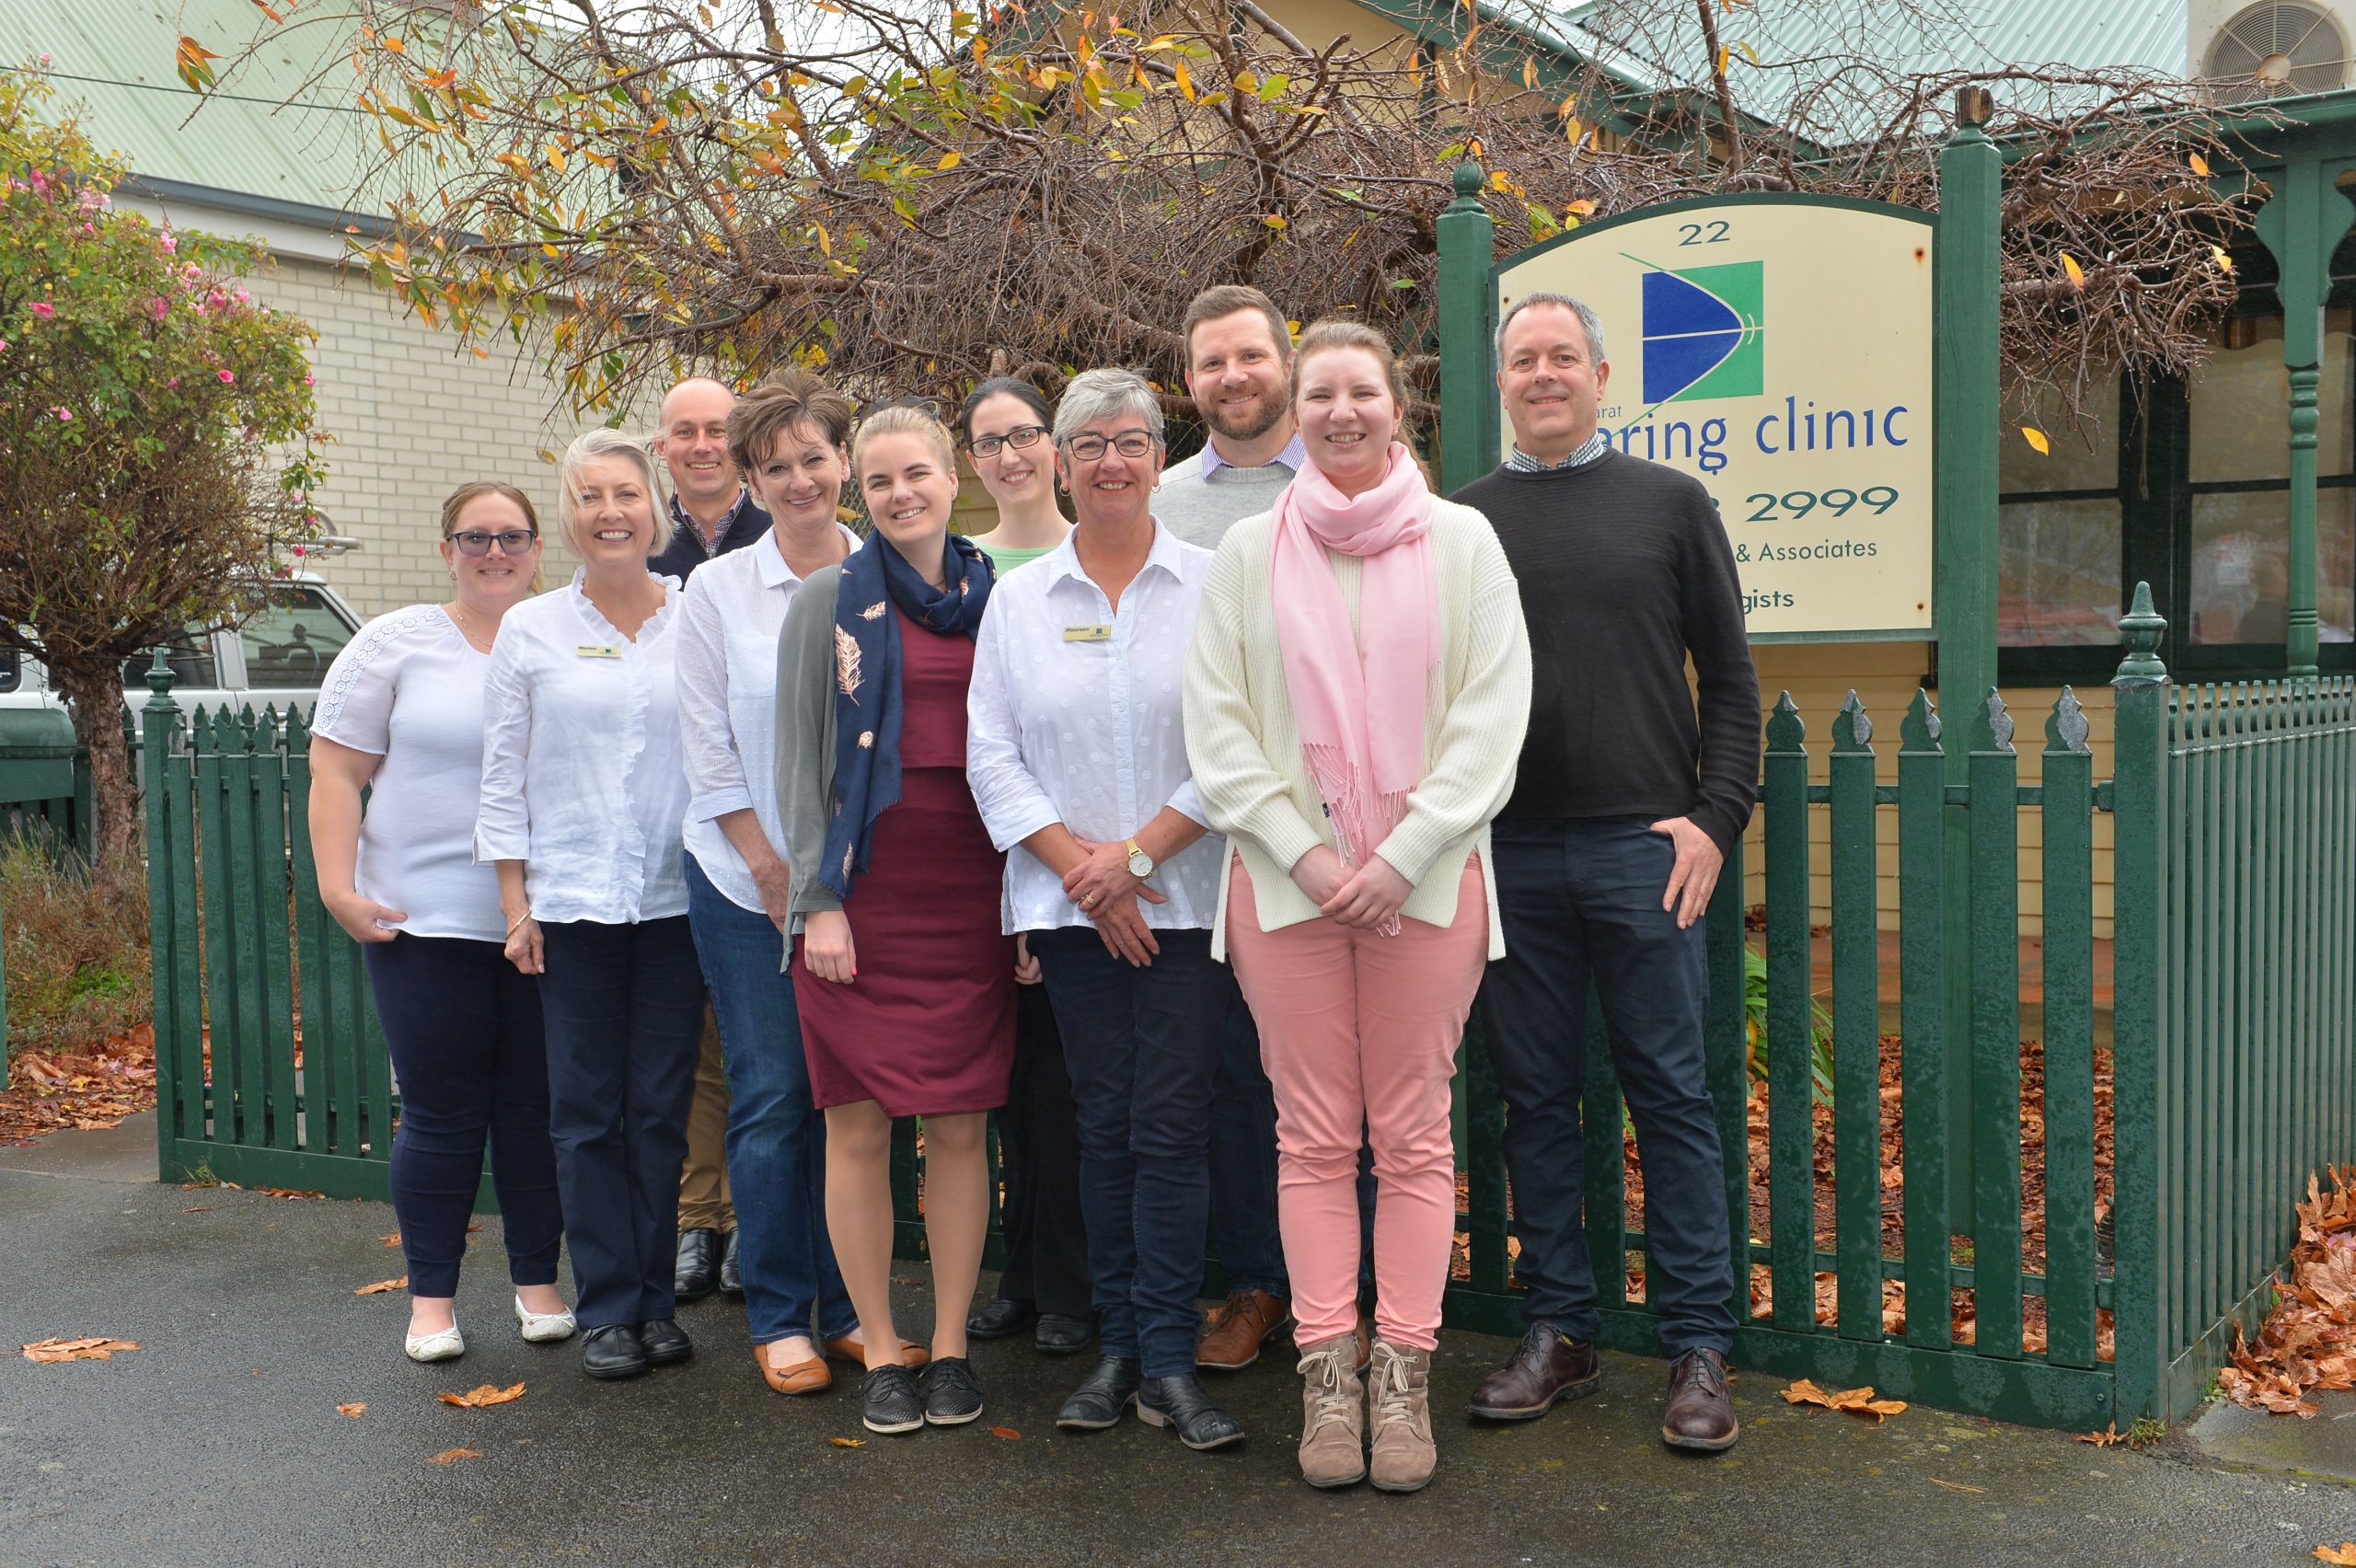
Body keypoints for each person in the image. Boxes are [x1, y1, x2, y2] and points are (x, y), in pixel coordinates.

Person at [1184, 320, 1531, 1493]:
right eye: (1319, 392)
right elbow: (1219, 729)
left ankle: (1404, 1375)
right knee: (1313, 1140)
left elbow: (1493, 716)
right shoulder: (1244, 553)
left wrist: (1403, 851)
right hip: (1286, 897)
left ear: (1398, 408)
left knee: (1416, 1134)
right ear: (1297, 406)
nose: (1340, 412)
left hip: (1426, 888)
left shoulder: (1463, 542)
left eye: (1361, 393)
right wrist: (1309, 855)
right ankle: (1328, 1375)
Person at [1452, 292, 1758, 1452]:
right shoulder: (1462, 524)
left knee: (1670, 1100)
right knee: (1534, 1102)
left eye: (1561, 357)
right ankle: (1560, 1331)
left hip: (1646, 853)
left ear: (1601, 373)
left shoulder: (1670, 505)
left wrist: (1713, 822)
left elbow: (1728, 682)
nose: (1543, 375)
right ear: (1503, 380)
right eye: (1522, 359)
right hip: (1512, 852)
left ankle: (1697, 1348)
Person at [968, 369, 1244, 1452]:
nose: (1113, 463)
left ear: (1158, 456)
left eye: (1133, 442)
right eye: (1092, 445)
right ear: (1064, 463)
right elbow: (990, 753)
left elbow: (1240, 744)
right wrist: (1084, 874)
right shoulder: (1017, 604)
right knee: (1103, 1128)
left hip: (1186, 906)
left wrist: (1128, 862)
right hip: (1072, 908)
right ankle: (1119, 1348)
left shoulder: (1216, 584)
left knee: (1171, 1131)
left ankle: (1168, 1359)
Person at [775, 401, 1015, 1435]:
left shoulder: (1006, 596)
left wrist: (1027, 909)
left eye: (914, 473)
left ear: (951, 476)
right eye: (877, 483)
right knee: (857, 1127)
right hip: (862, 896)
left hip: (971, 887)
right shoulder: (826, 599)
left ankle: (952, 1344)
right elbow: (796, 764)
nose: (898, 494)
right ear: (856, 494)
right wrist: (815, 903)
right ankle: (879, 1343)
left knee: (962, 1127)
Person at [308, 483, 572, 1365]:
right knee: (441, 1113)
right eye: (476, 537)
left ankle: (539, 1285)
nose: (495, 552)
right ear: (446, 546)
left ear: (539, 547)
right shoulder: (393, 642)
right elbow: (336, 771)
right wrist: (338, 888)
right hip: (421, 919)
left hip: (548, 916)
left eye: (513, 537)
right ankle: (431, 1303)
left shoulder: (562, 634)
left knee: (536, 1112)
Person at [477, 428, 707, 1381]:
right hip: (568, 906)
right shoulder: (531, 631)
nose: (609, 513)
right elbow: (500, 777)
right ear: (566, 518)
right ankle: (608, 1307)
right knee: (582, 1112)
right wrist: (513, 905)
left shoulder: (698, 617)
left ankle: (656, 1301)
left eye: (624, 494)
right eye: (587, 497)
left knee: (657, 1111)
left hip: (676, 905)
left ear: (655, 507)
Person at [675, 369, 866, 1395]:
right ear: (750, 478)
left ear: (843, 461)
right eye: (775, 465)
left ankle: (853, 1309)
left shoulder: (884, 575)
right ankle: (783, 1314)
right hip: (744, 877)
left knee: (858, 1100)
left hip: (861, 881)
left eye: (813, 459)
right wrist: (765, 862)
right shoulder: (717, 590)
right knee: (773, 1094)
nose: (799, 479)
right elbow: (706, 746)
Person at [1154, 284, 1312, 1372]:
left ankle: (1345, 1296)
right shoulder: (1158, 501)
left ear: (1284, 360)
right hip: (1210, 850)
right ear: (1190, 379)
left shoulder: (1360, 477)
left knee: (1335, 1080)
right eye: (1211, 363)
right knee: (1235, 1081)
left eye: (1249, 355)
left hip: (1344, 843)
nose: (1231, 377)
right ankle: (1259, 1283)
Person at [953, 377, 1096, 1357]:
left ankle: (1073, 1286)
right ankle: (1024, 1271)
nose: (1009, 455)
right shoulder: (962, 572)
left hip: (1079, 860)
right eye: (988, 441)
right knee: (1007, 1091)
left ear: (1055, 448)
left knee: (1068, 1087)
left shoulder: (1093, 555)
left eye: (1025, 436)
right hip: (980, 854)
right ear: (972, 461)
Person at [651, 375, 770, 1304]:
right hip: (673, 824)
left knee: (753, 1044)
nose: (701, 444)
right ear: (664, 449)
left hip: (760, 833)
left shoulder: (784, 540)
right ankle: (701, 1222)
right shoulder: (639, 556)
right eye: (683, 432)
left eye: (716, 430)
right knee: (694, 1041)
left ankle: (750, 1220)